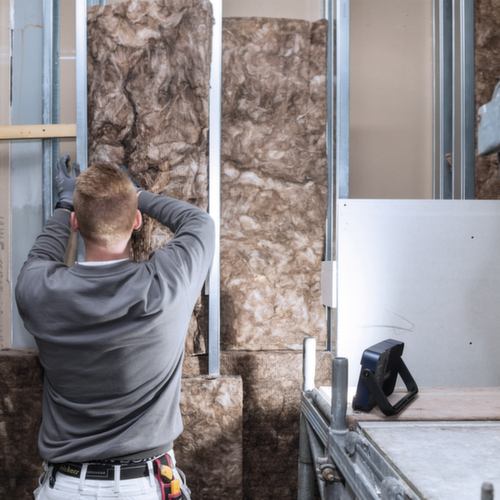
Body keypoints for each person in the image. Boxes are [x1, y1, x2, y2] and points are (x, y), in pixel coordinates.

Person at [15, 155, 215, 500]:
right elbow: (199, 223)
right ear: (137, 220)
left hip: (65, 488)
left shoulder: (39, 291)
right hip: (144, 488)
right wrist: (138, 194)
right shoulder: (167, 285)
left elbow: (41, 256)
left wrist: (64, 206)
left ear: (76, 224)